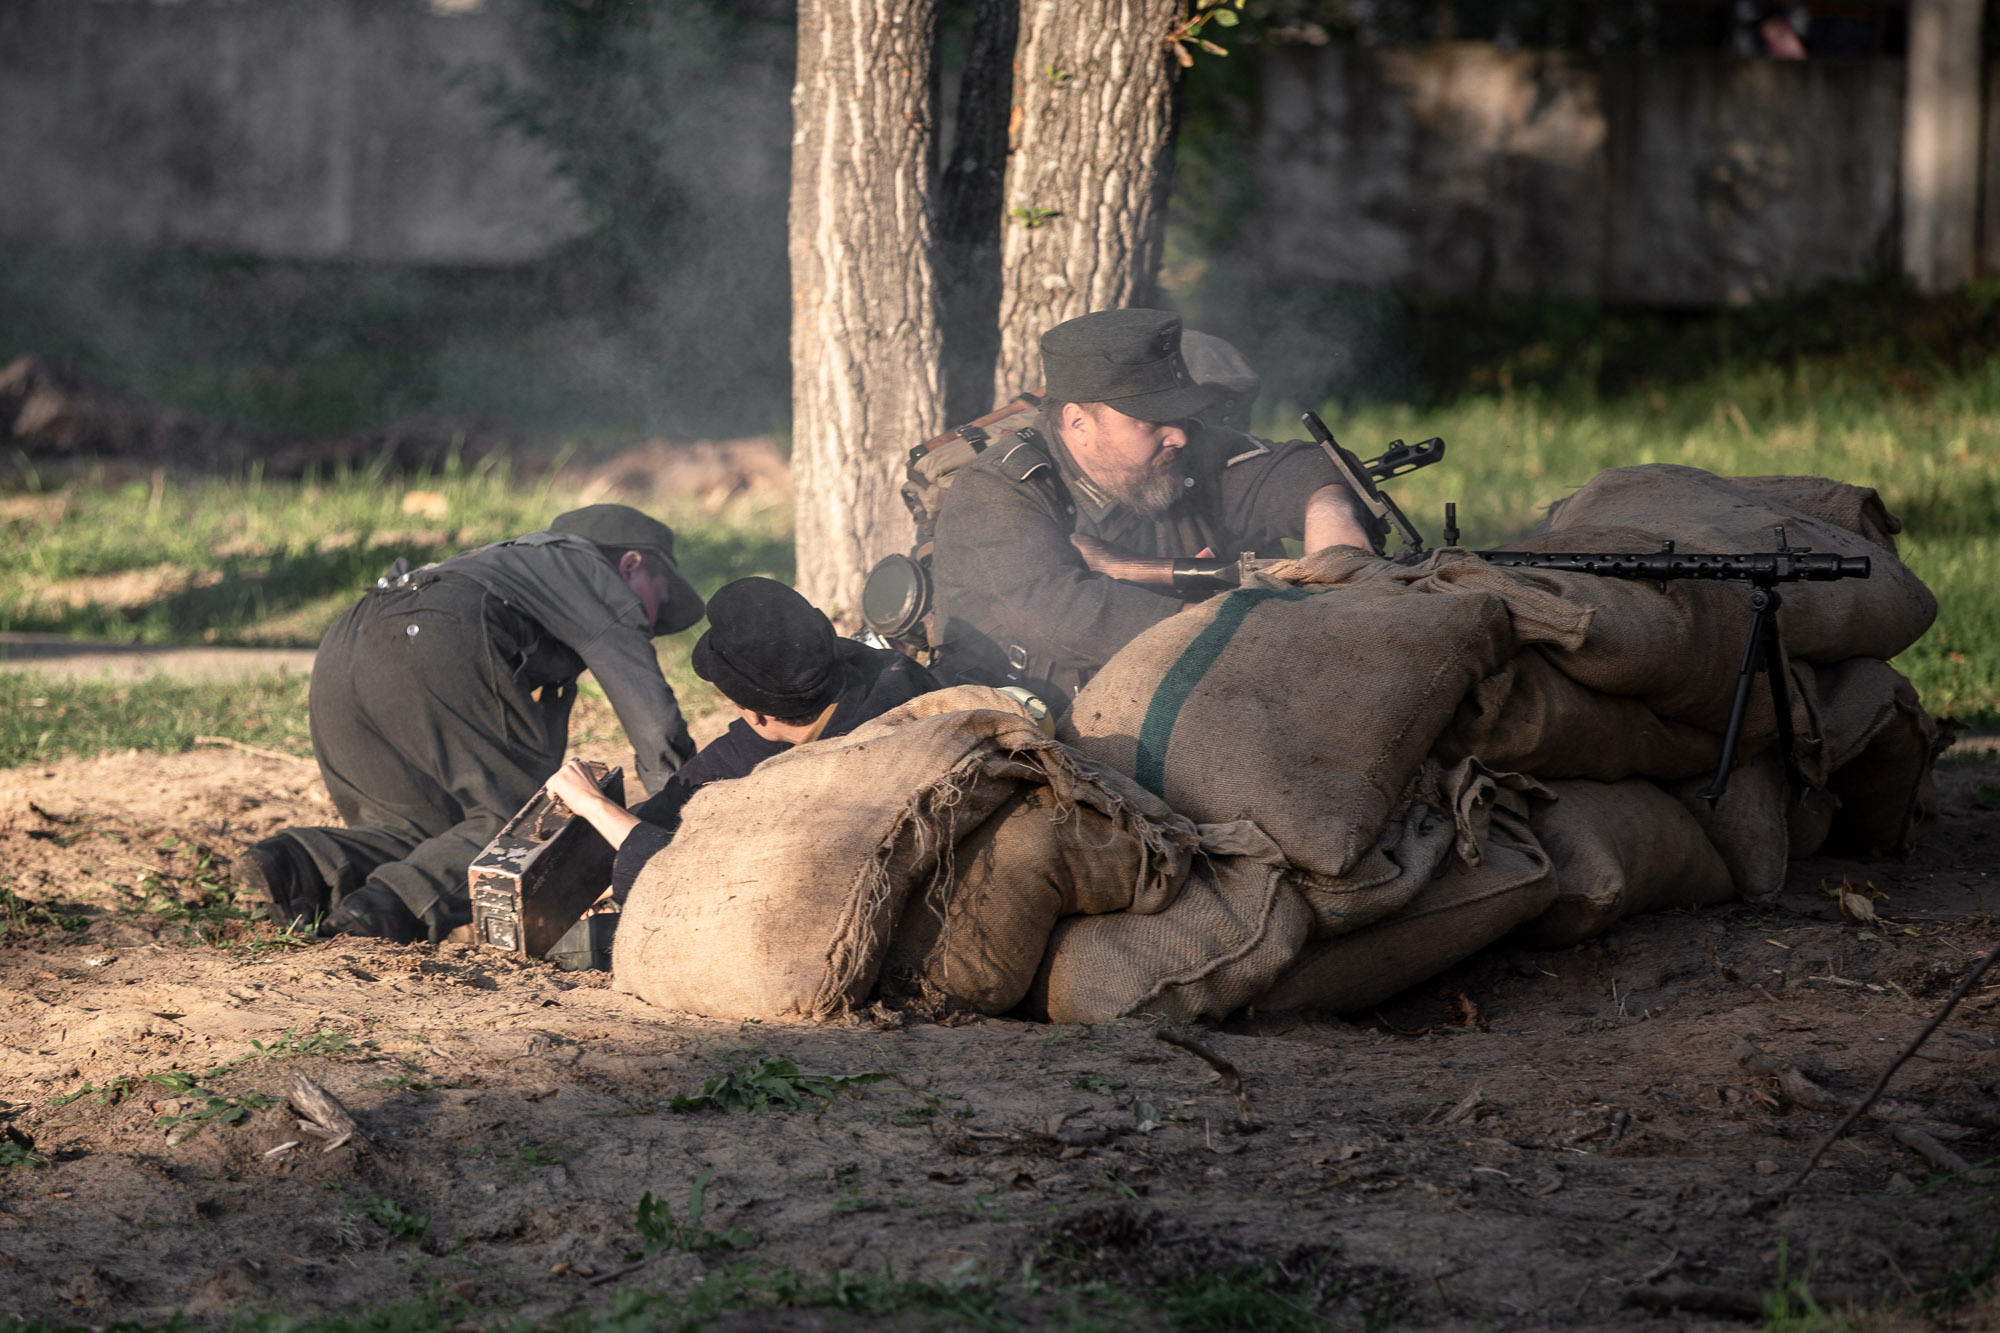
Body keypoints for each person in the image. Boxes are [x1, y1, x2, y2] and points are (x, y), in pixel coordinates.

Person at [234, 503, 706, 942]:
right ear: (632, 565)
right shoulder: (595, 575)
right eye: (656, 602)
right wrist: (684, 817)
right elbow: (655, 726)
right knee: (518, 829)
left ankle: (301, 864)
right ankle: (381, 913)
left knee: (426, 833)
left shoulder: (505, 565)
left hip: (347, 644)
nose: (652, 621)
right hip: (436, 639)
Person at [927, 308, 1373, 705]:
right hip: (1041, 727)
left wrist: (1329, 514)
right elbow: (1061, 615)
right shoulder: (996, 491)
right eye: (1152, 421)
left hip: (1172, 697)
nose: (1177, 435)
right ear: (1079, 422)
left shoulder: (1182, 451)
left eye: (1178, 415)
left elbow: (1294, 466)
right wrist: (1228, 632)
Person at [543, 576, 938, 900]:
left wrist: (596, 807)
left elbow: (690, 880)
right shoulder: (874, 671)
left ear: (754, 713)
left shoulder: (831, 779)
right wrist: (618, 844)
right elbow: (710, 774)